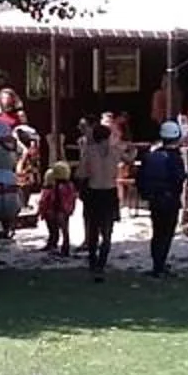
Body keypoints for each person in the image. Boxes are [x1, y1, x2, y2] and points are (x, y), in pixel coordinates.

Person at [77, 116, 125, 279]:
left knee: (93, 228)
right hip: (110, 191)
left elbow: (80, 173)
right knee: (107, 229)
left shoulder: (89, 152)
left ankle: (93, 261)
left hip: (94, 191)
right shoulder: (115, 151)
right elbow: (130, 158)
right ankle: (102, 262)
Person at [139, 118, 186, 274]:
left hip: (154, 199)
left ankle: (157, 264)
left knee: (157, 231)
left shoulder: (151, 155)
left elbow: (141, 177)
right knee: (167, 233)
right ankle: (160, 263)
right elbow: (178, 178)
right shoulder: (175, 158)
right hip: (170, 199)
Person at [35, 161, 77, 256]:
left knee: (57, 229)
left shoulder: (58, 187)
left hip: (59, 210)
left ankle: (61, 246)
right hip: (66, 210)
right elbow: (73, 198)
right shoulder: (70, 185)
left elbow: (55, 199)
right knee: (65, 230)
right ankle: (65, 247)